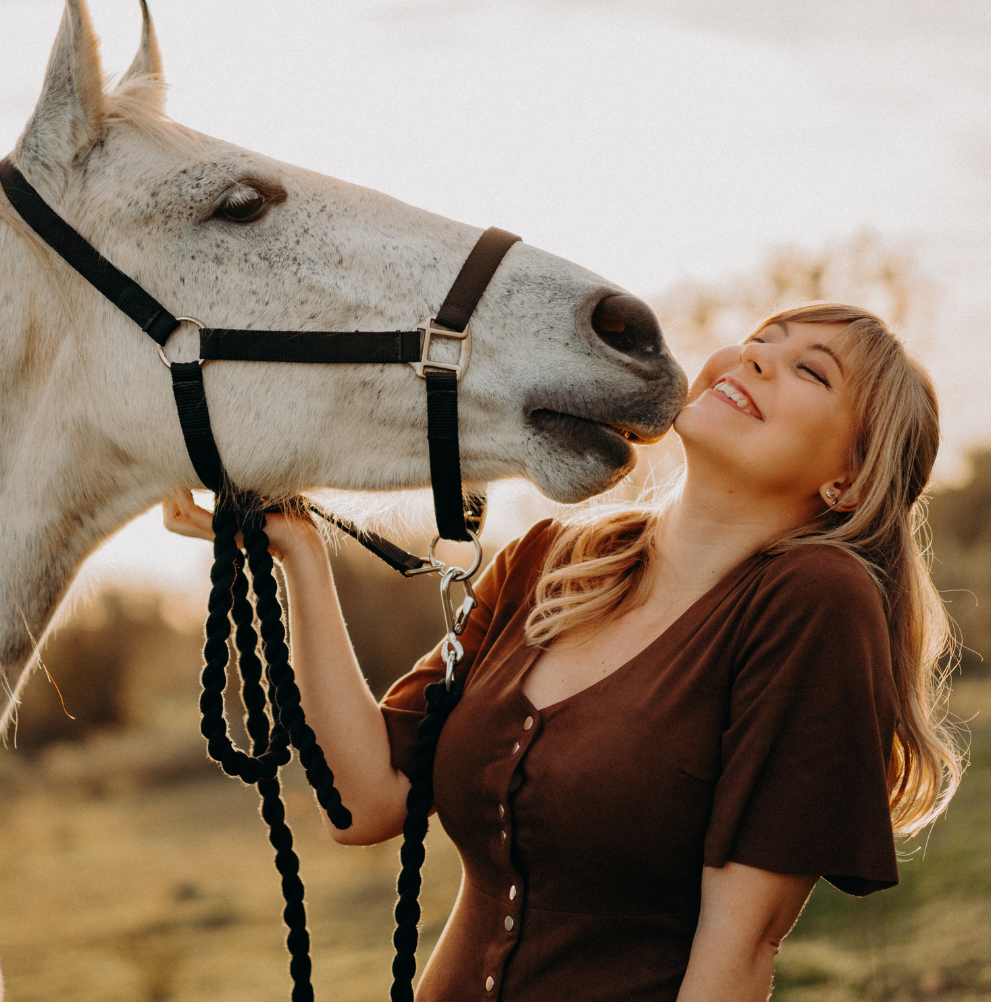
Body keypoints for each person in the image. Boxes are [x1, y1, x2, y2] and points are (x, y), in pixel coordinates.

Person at [164, 302, 960, 1002]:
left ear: (849, 481)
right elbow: (366, 799)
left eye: (808, 371)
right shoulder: (546, 559)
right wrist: (299, 556)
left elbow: (743, 944)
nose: (754, 358)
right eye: (761, 338)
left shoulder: (815, 602)